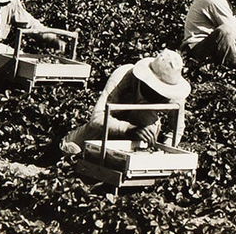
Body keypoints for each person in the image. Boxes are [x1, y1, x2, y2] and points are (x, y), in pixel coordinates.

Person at [59, 49, 191, 157]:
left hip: (141, 130)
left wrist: (166, 151)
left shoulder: (175, 94)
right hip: (110, 125)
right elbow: (97, 117)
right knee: (70, 148)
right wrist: (128, 129)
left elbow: (176, 128)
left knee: (144, 122)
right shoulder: (125, 75)